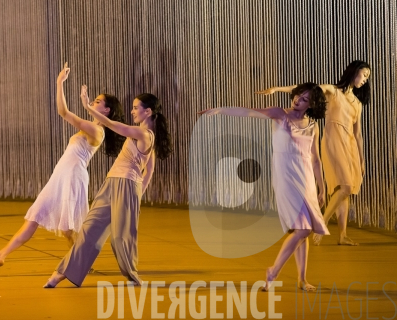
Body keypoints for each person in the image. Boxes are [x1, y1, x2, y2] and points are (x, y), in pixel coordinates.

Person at [0, 63, 124, 276]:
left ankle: (82, 262)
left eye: (97, 101)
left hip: (73, 177)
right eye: (93, 99)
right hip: (60, 176)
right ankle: (2, 255)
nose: (93, 101)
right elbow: (63, 111)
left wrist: (69, 91)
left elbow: (64, 113)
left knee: (68, 229)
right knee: (35, 217)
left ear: (106, 110)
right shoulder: (91, 125)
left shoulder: (97, 130)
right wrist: (59, 83)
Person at [200, 83, 329, 291]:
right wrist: (220, 110)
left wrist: (322, 188)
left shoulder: (313, 126)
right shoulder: (280, 115)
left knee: (302, 230)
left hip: (307, 180)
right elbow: (249, 112)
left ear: (312, 104)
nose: (298, 100)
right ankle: (273, 271)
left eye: (304, 99)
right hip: (286, 177)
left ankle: (302, 280)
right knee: (302, 229)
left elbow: (316, 160)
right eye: (298, 95)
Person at [44, 90, 173, 288]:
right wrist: (141, 191)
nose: (132, 111)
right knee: (89, 230)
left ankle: (132, 274)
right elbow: (149, 170)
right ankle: (62, 272)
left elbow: (114, 126)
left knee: (121, 236)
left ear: (147, 112)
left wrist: (88, 107)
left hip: (127, 185)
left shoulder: (144, 134)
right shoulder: (141, 134)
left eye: (136, 108)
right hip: (111, 184)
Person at [257, 61, 371, 245]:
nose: (365, 79)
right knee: (346, 187)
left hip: (350, 145)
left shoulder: (357, 103)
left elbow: (358, 134)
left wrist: (362, 159)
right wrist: (277, 89)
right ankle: (321, 223)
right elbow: (306, 89)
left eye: (367, 77)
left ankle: (342, 235)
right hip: (334, 141)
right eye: (364, 74)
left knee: (345, 190)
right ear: (354, 72)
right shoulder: (333, 91)